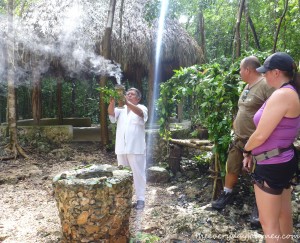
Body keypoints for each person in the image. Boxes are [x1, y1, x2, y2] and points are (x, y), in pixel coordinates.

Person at [243, 52, 300, 242]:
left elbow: (260, 135)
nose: (264, 76)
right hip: (283, 159)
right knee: (284, 217)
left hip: (272, 164)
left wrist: (246, 149)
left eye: (266, 72)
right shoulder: (290, 92)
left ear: (276, 73)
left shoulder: (283, 95)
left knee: (270, 225)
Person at [212, 56, 274, 218]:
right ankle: (227, 194)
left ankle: (260, 206)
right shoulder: (247, 86)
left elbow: (274, 111)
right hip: (240, 138)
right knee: (232, 165)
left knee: (259, 172)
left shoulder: (266, 85)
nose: (239, 72)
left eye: (240, 69)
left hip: (258, 139)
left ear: (247, 70)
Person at [108, 87, 148, 210]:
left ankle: (140, 199)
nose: (129, 95)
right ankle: (124, 199)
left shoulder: (141, 108)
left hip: (136, 148)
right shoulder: (121, 109)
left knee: (138, 174)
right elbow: (111, 114)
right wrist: (112, 101)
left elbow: (141, 115)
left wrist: (126, 102)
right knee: (122, 174)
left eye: (132, 94)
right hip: (121, 148)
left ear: (138, 98)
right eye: (127, 94)